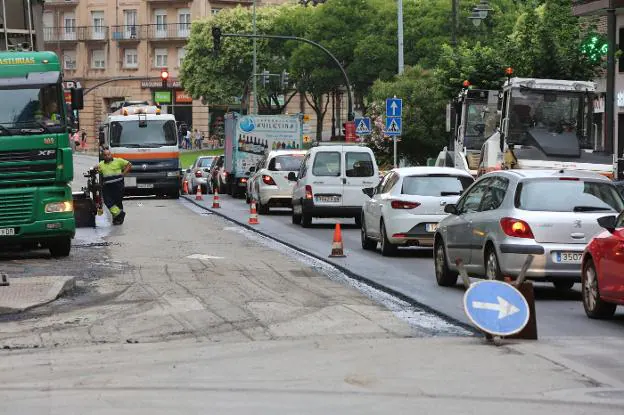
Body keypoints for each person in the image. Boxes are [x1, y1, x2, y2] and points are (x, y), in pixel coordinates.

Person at [95, 149, 132, 225]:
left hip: (118, 185)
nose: (107, 156)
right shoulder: (101, 164)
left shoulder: (118, 161)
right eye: (105, 155)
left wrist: (123, 173)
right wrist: (95, 168)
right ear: (103, 156)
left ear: (111, 154)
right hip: (107, 186)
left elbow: (129, 164)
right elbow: (96, 168)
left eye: (108, 154)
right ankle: (120, 214)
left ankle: (118, 219)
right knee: (108, 201)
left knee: (118, 202)